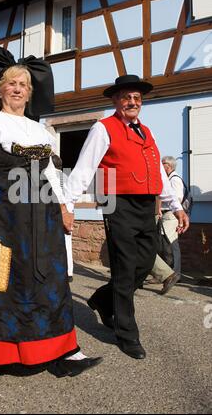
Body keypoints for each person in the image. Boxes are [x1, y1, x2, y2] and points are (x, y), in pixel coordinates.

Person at [0, 46, 102, 378]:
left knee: (51, 280)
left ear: (31, 94)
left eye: (24, 85)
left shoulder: (40, 131)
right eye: (12, 83)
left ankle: (64, 351)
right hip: (2, 213)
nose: (17, 89)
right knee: (5, 282)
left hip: (43, 216)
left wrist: (65, 206)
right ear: (0, 90)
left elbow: (51, 174)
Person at [64, 74, 189, 360]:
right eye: (126, 98)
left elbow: (158, 171)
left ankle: (102, 299)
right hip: (117, 204)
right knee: (124, 266)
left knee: (144, 263)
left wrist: (176, 205)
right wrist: (67, 204)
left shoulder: (148, 131)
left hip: (147, 205)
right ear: (115, 101)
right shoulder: (102, 128)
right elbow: (84, 168)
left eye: (136, 98)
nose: (132, 102)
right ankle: (126, 333)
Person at [149, 156, 184, 294]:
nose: (160, 166)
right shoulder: (169, 179)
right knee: (163, 244)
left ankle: (174, 273)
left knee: (171, 244)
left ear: (168, 166)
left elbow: (177, 197)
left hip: (170, 214)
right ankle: (166, 273)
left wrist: (161, 203)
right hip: (166, 214)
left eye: (162, 164)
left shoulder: (174, 179)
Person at [52, 154, 74, 282]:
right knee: (67, 242)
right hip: (68, 209)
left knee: (54, 241)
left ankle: (57, 270)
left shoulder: (50, 176)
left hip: (57, 209)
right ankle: (69, 271)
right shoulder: (66, 177)